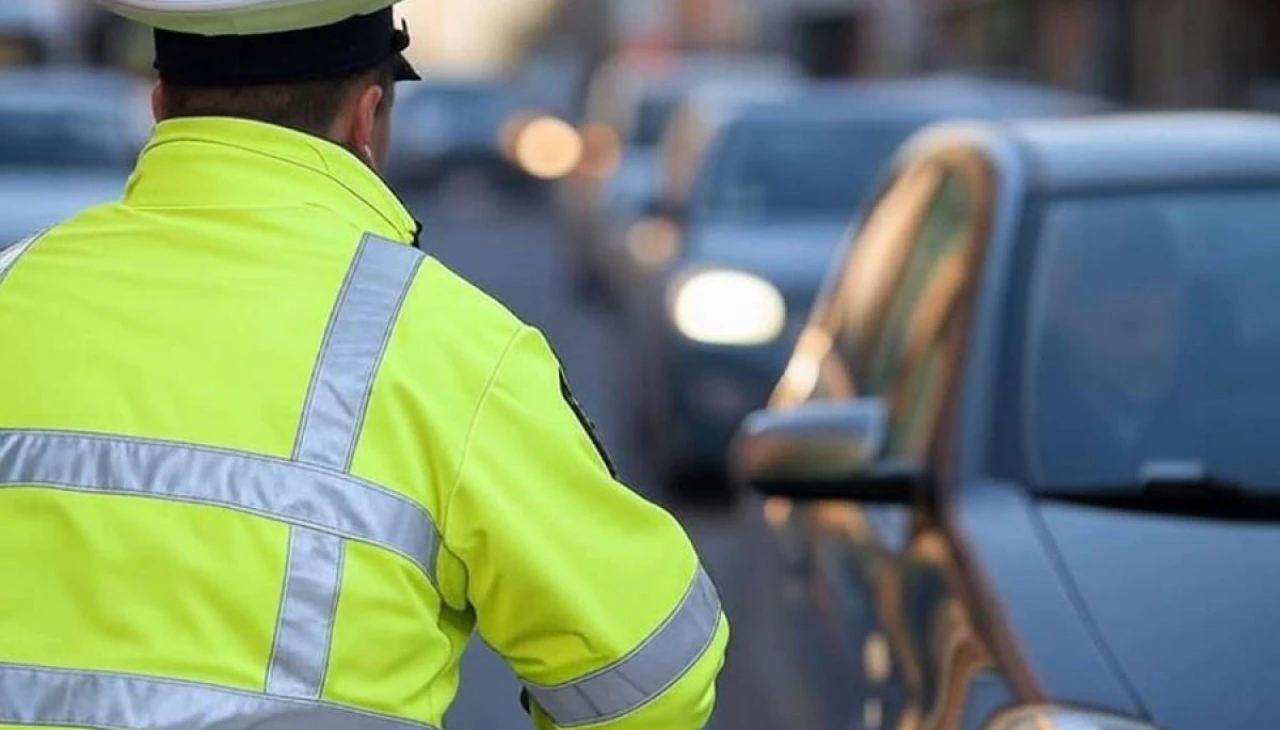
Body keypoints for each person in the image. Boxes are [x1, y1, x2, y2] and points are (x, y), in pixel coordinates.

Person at [0, 2, 728, 729]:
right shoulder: (451, 344)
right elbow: (655, 681)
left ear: (162, 106)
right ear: (366, 118)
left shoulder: (12, 289)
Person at [1030, 203, 1197, 487]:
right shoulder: (1030, 434)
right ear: (1072, 321)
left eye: (1169, 324)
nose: (1152, 348)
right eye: (1128, 326)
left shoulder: (1223, 423)